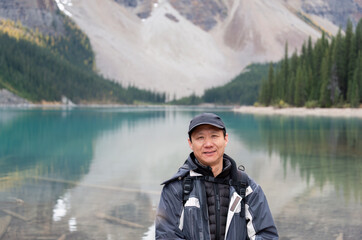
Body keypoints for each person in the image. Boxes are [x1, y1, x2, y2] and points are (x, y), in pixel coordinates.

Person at [155, 112, 278, 240]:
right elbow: (166, 236)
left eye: (214, 136)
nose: (208, 144)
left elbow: (266, 235)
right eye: (200, 138)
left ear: (225, 139)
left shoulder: (246, 187)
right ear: (190, 143)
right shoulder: (175, 188)